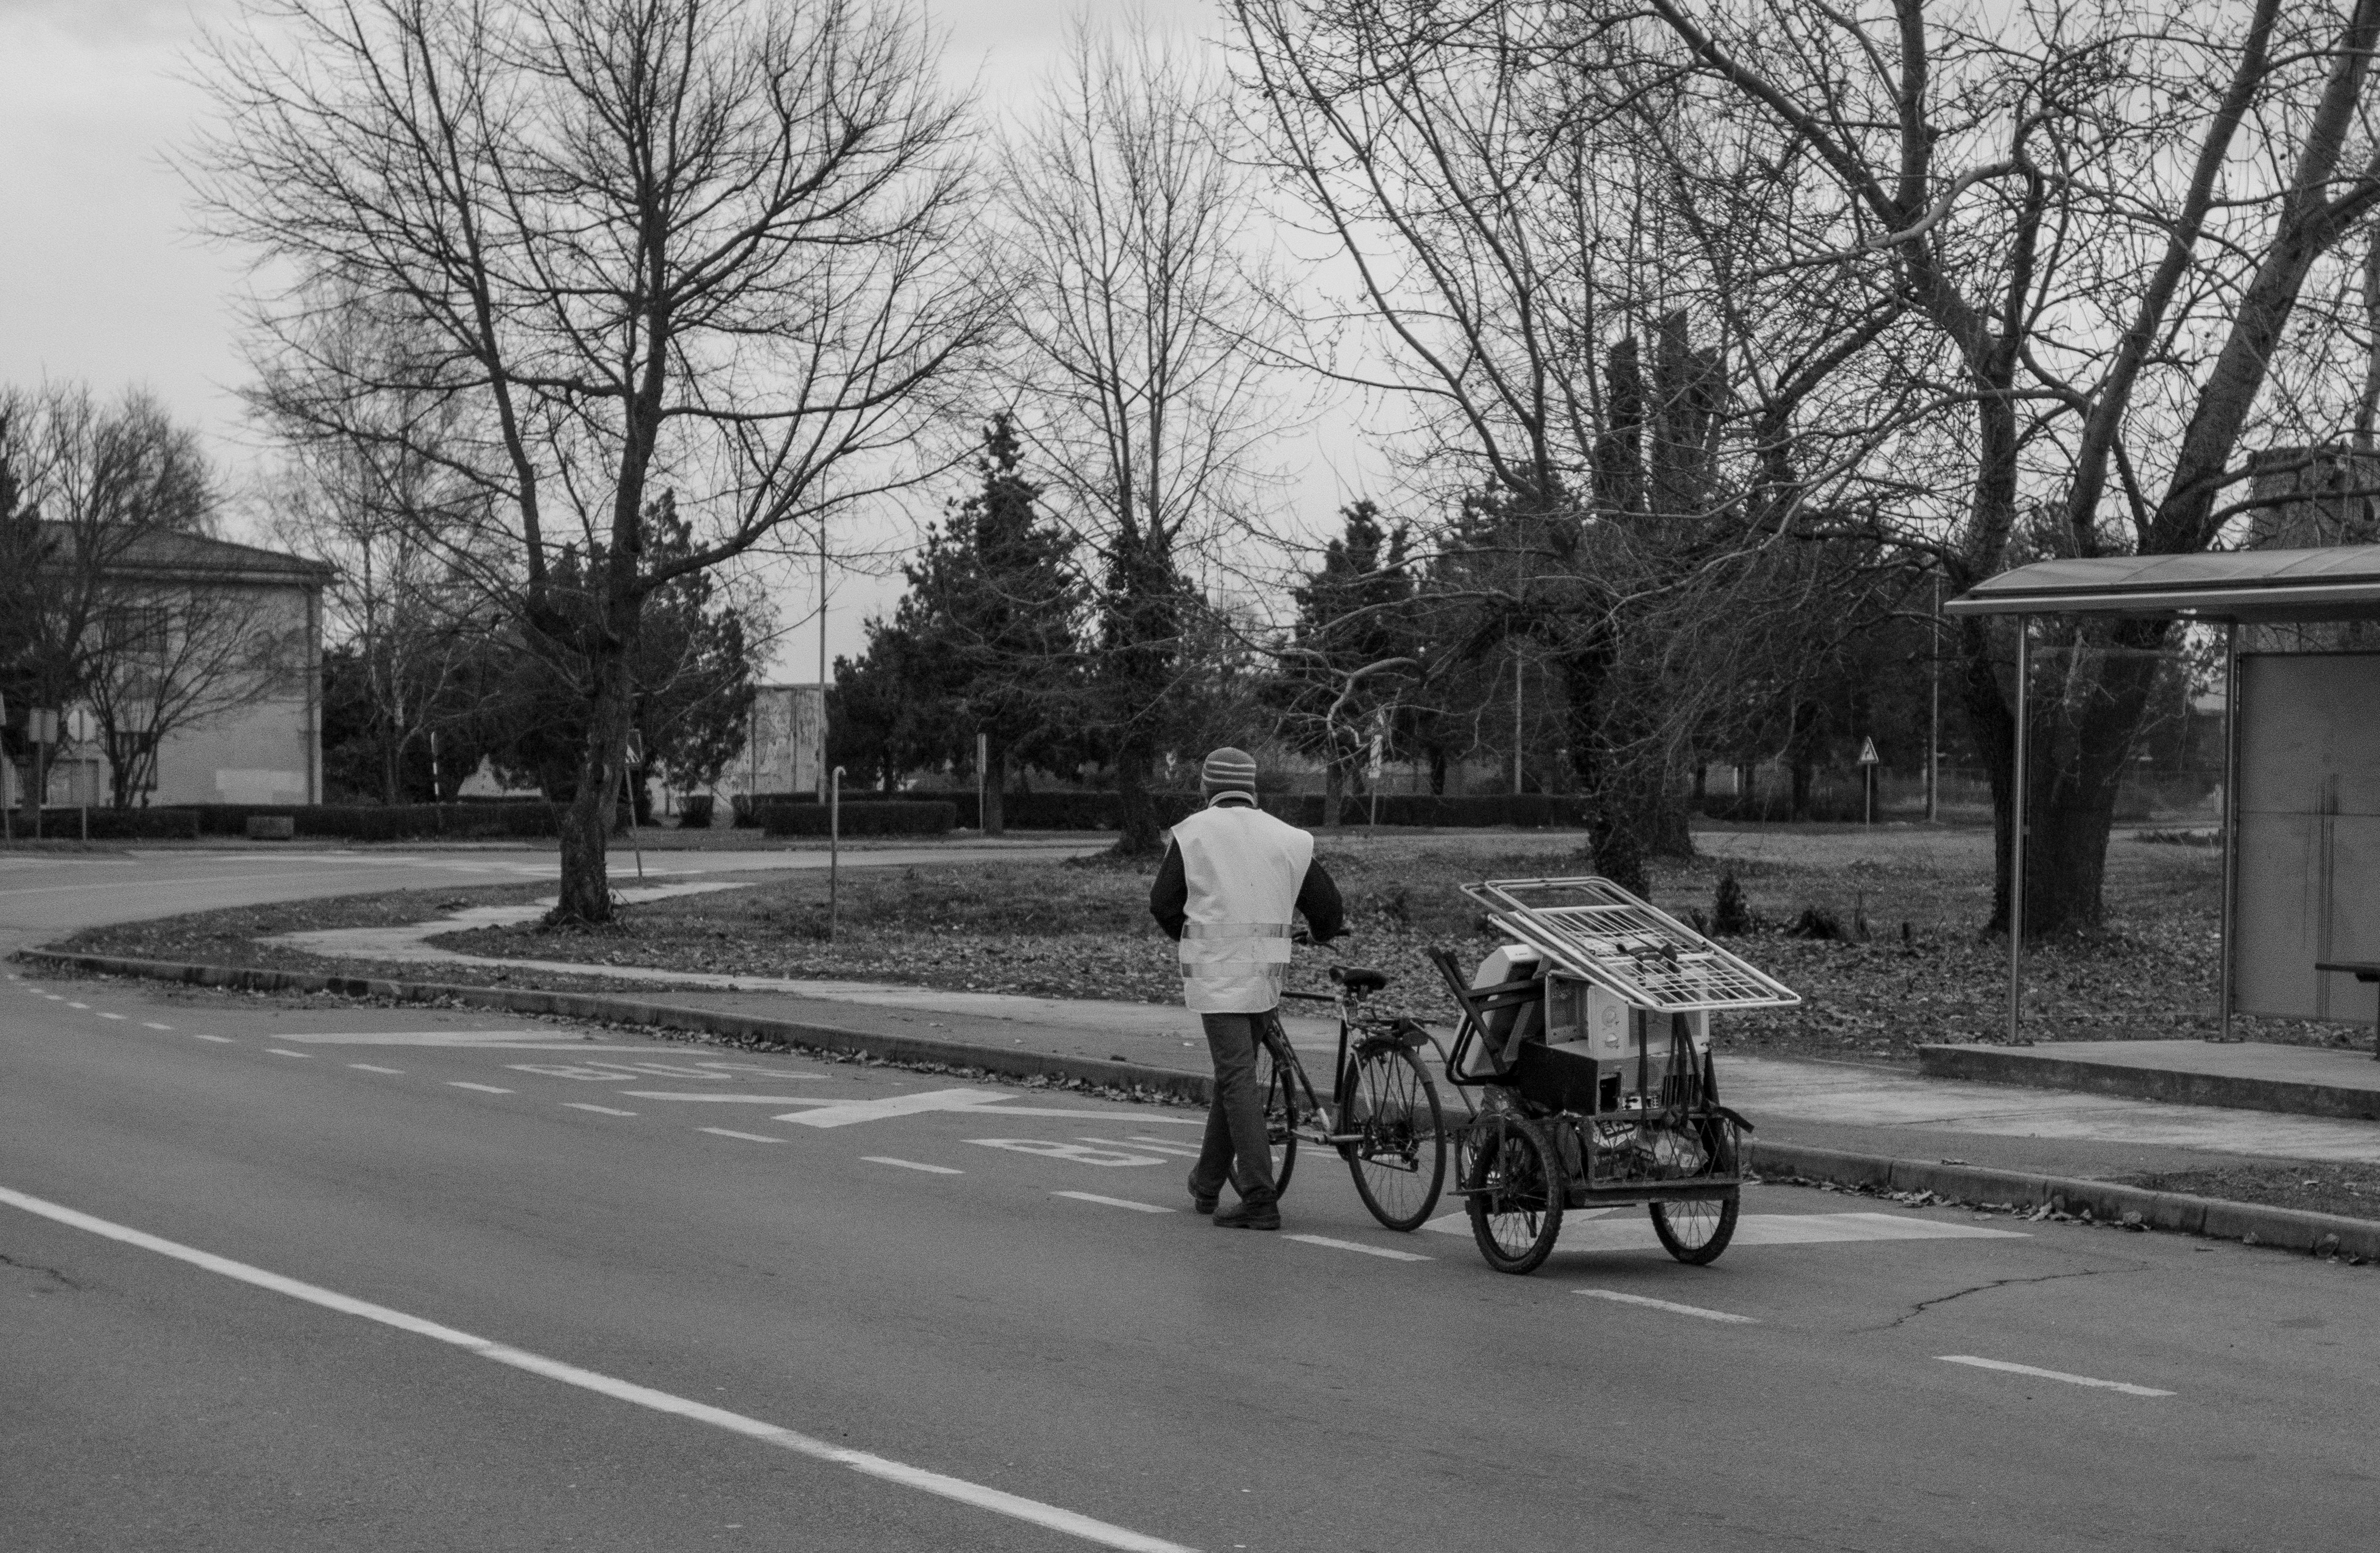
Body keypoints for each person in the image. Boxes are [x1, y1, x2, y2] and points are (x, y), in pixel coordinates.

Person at [1148, 746, 1343, 1229]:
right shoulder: (1289, 837)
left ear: (1206, 786)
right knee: (1233, 1075)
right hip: (1266, 977)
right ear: (1252, 787)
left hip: (1218, 977)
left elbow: (1163, 903)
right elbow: (1327, 909)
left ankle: (1259, 1196)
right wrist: (1321, 933)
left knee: (1236, 1077)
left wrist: (1189, 937)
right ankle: (1207, 1182)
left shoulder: (1193, 833)